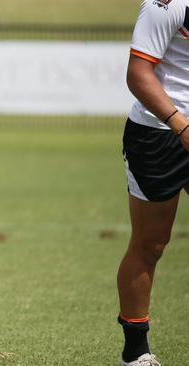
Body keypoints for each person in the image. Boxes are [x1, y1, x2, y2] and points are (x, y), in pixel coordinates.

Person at [117, 1, 189, 365]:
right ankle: (136, 352)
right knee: (151, 244)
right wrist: (182, 126)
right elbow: (138, 74)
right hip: (160, 134)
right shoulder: (169, 4)